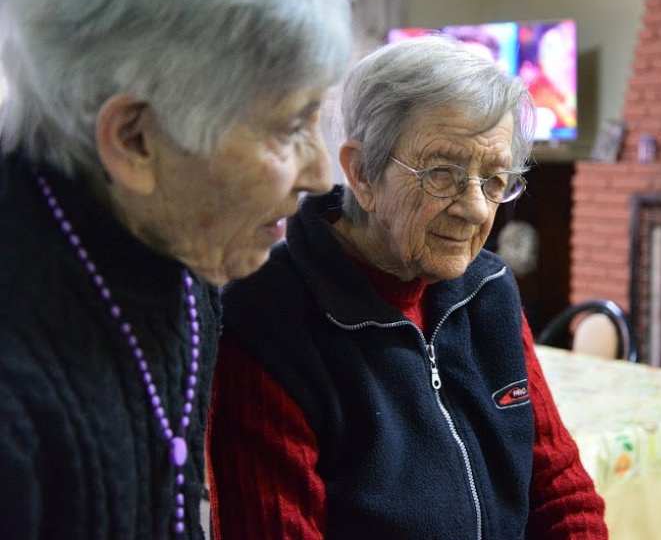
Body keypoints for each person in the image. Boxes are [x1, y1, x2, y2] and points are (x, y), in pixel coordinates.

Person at [0, 0, 353, 537]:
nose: (322, 175)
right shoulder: (16, 387)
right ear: (136, 138)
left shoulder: (184, 253)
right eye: (291, 126)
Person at [208, 35, 609, 539]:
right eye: (442, 172)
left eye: (495, 178)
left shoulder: (488, 289)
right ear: (362, 173)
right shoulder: (266, 321)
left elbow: (560, 491)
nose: (478, 208)